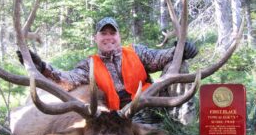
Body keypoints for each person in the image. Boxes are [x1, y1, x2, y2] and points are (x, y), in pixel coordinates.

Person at [17, 17, 197, 122]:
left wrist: (180, 51)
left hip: (153, 102)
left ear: (119, 36)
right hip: (124, 117)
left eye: (113, 33)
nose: (108, 37)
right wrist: (42, 67)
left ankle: (184, 123)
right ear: (95, 38)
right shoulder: (90, 65)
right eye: (104, 33)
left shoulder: (136, 51)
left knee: (179, 64)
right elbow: (66, 80)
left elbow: (162, 57)